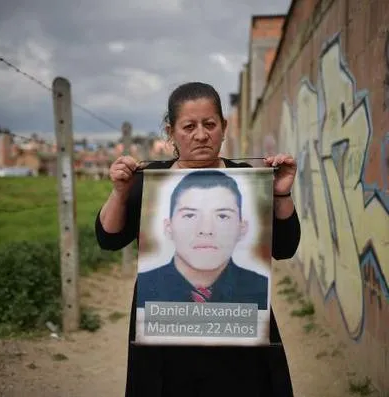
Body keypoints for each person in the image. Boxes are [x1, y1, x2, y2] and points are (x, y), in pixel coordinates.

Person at [95, 81, 301, 397]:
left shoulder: (247, 179)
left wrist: (282, 192)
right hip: (164, 337)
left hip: (241, 335)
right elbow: (108, 239)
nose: (201, 135)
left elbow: (285, 247)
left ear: (224, 127)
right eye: (189, 126)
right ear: (171, 131)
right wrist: (120, 193)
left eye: (210, 124)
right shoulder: (151, 182)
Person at [137, 169, 268, 308]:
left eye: (223, 216)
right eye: (190, 215)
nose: (206, 230)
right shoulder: (144, 288)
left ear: (242, 229)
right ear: (168, 227)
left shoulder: (261, 289)